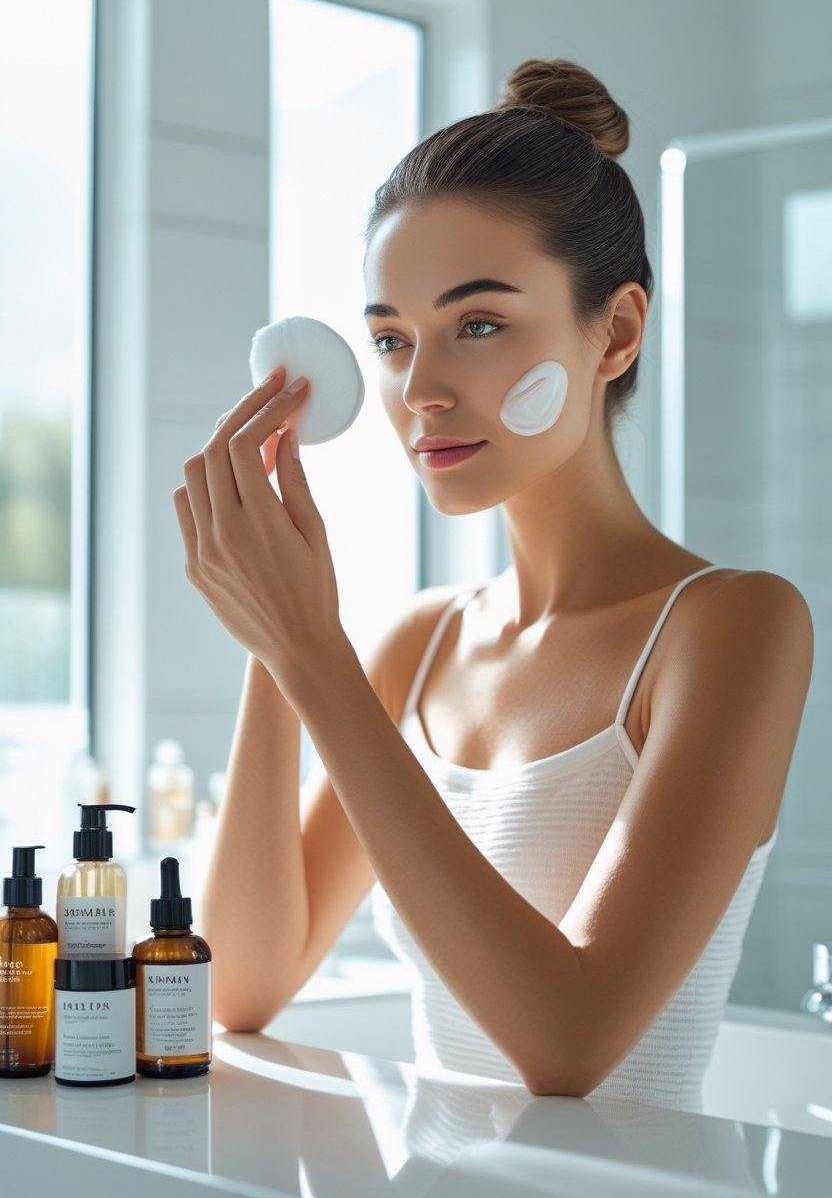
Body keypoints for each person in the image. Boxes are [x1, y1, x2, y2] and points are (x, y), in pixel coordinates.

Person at [173, 59, 813, 1109]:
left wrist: (311, 651)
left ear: (615, 332)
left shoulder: (732, 627)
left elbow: (568, 1039)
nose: (420, 388)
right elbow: (241, 982)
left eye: (478, 325)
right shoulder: (414, 649)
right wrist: (270, 629)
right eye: (390, 339)